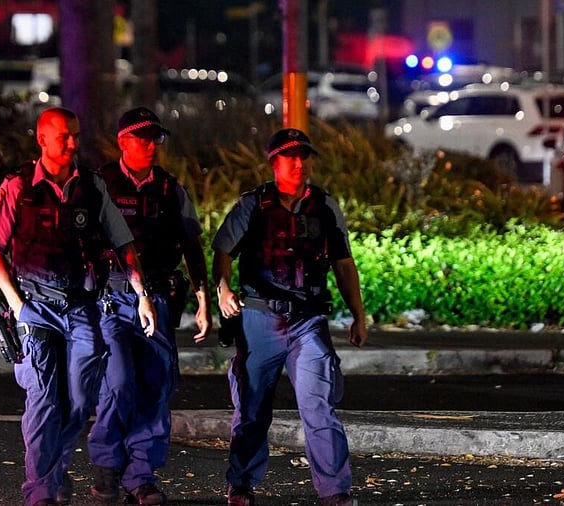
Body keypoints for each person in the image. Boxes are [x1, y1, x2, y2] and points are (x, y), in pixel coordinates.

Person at [0, 107, 157, 506]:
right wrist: (16, 305)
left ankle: (54, 472)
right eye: (64, 137)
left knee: (78, 401)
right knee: (43, 401)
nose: (73, 143)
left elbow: (123, 243)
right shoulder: (18, 186)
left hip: (81, 307)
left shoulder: (91, 186)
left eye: (76, 135)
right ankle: (39, 493)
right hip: (34, 307)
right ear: (42, 140)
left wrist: (142, 294)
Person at [211, 128, 368, 506]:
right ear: (274, 163)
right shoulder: (252, 205)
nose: (299, 164)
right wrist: (223, 290)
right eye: (289, 157)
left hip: (308, 320)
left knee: (319, 405)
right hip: (259, 319)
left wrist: (358, 315)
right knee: (251, 408)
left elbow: (344, 264)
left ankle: (335, 491)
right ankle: (241, 483)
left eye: (304, 156)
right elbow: (222, 252)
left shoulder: (325, 207)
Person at [88, 106, 212, 505]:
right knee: (119, 381)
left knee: (156, 385)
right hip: (111, 296)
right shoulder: (99, 185)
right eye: (143, 138)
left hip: (157, 297)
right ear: (123, 141)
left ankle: (140, 475)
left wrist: (203, 297)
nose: (152, 146)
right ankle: (108, 463)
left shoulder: (170, 189)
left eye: (155, 139)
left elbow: (192, 245)